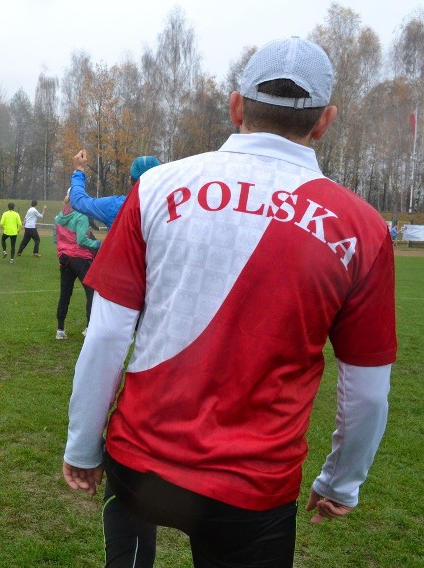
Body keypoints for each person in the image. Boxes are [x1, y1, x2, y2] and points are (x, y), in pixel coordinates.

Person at [63, 37, 396, 568]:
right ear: (325, 121)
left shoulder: (155, 188)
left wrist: (82, 447)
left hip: (142, 460)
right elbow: (369, 391)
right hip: (254, 489)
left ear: (237, 106)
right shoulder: (364, 227)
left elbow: (105, 335)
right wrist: (341, 481)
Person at [53, 194, 100, 340]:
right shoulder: (81, 216)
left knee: (65, 294)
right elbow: (81, 240)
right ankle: (89, 327)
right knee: (91, 291)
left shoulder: (59, 217)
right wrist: (96, 244)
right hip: (80, 258)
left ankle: (60, 330)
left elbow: (56, 239)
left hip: (64, 258)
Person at [70, 154, 161, 227]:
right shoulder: (171, 208)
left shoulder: (117, 206)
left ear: (131, 181)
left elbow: (79, 201)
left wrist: (79, 169)